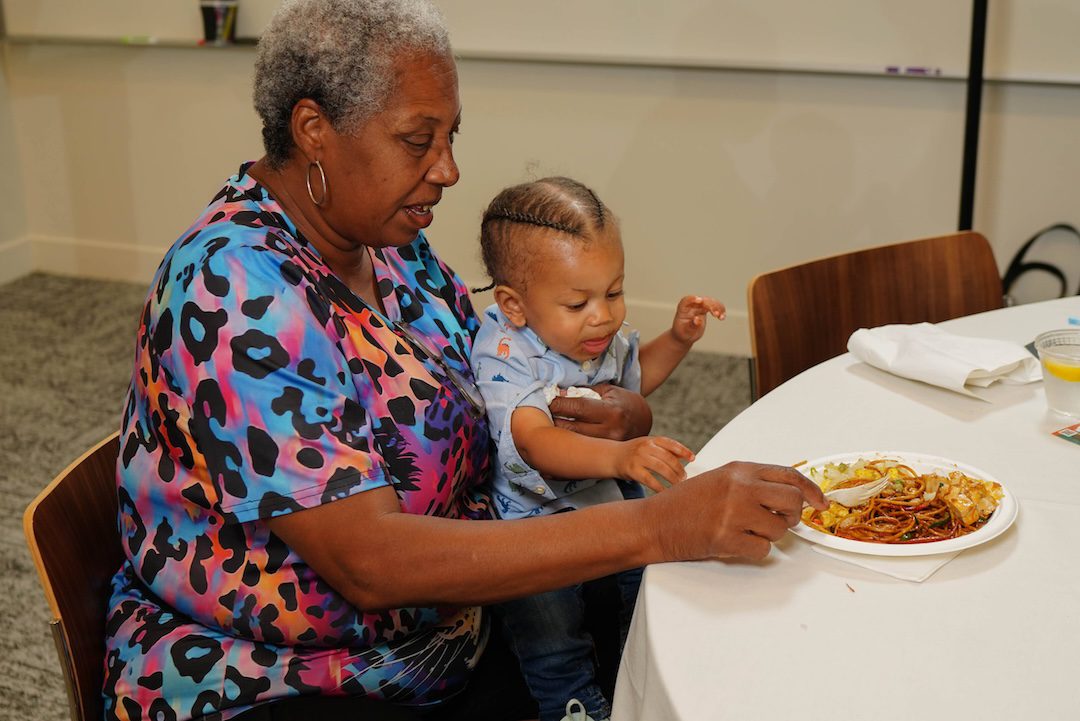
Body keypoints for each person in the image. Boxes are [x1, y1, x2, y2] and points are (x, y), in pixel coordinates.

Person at [101, 1, 827, 720]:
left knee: (706, 641)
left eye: (451, 136)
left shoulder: (389, 242)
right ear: (314, 130)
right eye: (418, 140)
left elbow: (503, 383)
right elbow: (371, 563)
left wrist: (612, 415)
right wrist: (663, 524)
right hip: (288, 678)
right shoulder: (233, 289)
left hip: (457, 626)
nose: (448, 169)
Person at [469, 176, 726, 721]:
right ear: (514, 304)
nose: (603, 315)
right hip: (532, 520)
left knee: (653, 579)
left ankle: (644, 662)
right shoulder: (504, 351)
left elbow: (632, 385)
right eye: (578, 301)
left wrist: (677, 339)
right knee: (552, 629)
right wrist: (618, 456)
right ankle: (573, 706)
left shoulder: (599, 336)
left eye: (614, 292)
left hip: (603, 493)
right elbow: (535, 442)